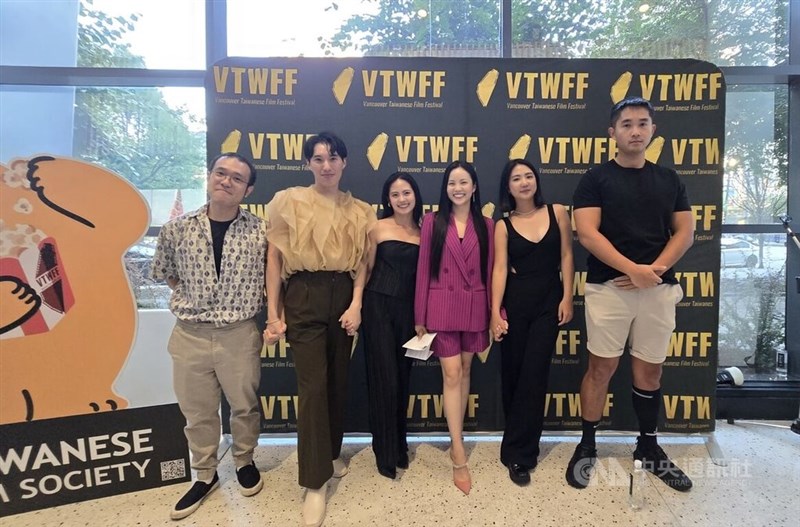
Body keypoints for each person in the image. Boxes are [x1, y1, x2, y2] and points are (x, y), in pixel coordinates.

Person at [566, 96, 694, 492]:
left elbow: (685, 232)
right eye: (626, 124)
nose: (635, 130)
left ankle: (648, 447)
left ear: (653, 130)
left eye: (642, 123)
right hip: (609, 288)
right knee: (600, 369)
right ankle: (587, 443)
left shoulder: (670, 179)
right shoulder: (594, 179)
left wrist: (650, 273)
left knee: (649, 371)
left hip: (657, 289)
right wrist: (632, 270)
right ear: (612, 133)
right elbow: (587, 233)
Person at [264, 132, 376, 527]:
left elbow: (363, 264)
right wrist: (273, 313)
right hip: (304, 293)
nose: (326, 165)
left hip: (343, 294)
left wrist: (357, 303)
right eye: (318, 158)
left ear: (344, 162)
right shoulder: (288, 201)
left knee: (337, 381)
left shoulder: (362, 210)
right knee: (312, 387)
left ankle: (330, 453)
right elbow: (274, 260)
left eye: (333, 157)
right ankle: (314, 483)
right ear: (308, 164)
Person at [151, 153, 267, 520]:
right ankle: (204, 474)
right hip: (190, 333)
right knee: (197, 411)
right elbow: (166, 273)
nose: (226, 181)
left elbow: (273, 280)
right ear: (208, 176)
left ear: (247, 190)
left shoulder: (261, 232)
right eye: (221, 173)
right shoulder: (177, 229)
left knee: (245, 405)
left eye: (237, 178)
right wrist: (194, 300)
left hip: (239, 332)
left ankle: (245, 461)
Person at [490, 159, 574, 486]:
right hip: (516, 301)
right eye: (516, 178)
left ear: (536, 180)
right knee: (513, 374)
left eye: (528, 176)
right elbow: (500, 268)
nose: (524, 182)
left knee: (534, 375)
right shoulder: (503, 225)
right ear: (508, 187)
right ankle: (513, 444)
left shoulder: (557, 212)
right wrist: (495, 312)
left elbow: (567, 255)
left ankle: (522, 455)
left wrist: (567, 296)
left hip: (548, 301)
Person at [414, 160, 494, 496]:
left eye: (464, 182)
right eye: (451, 183)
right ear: (445, 188)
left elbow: (492, 271)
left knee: (464, 370)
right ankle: (458, 452)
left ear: (474, 187)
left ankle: (455, 437)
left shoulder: (488, 224)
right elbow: (423, 270)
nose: (457, 188)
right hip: (441, 307)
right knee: (450, 374)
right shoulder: (432, 221)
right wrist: (419, 315)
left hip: (475, 306)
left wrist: (496, 312)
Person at [362, 172, 423, 480]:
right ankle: (383, 452)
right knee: (383, 380)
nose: (402, 199)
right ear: (388, 199)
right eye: (396, 194)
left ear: (415, 196)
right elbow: (365, 269)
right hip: (378, 308)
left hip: (410, 315)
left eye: (407, 192)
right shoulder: (377, 227)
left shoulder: (426, 232)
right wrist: (355, 304)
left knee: (402, 380)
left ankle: (399, 445)